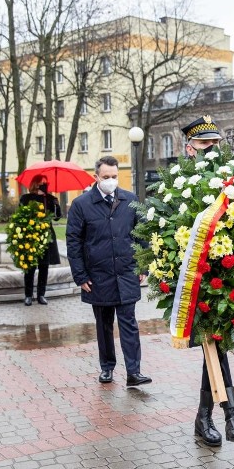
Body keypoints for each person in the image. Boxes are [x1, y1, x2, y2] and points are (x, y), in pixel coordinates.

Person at [182, 115, 234, 447]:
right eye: (203, 144)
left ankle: (204, 418)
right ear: (190, 148)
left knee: (215, 348)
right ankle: (232, 415)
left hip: (225, 279)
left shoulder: (232, 183)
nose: (211, 149)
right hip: (197, 282)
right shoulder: (180, 184)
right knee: (215, 346)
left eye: (215, 143)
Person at [66, 155, 151, 387]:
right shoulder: (81, 205)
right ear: (96, 177)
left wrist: (143, 264)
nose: (111, 181)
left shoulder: (130, 200)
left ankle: (134, 371)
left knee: (129, 323)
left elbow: (142, 234)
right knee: (103, 326)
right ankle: (107, 368)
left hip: (126, 274)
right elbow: (73, 242)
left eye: (114, 177)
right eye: (106, 177)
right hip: (98, 276)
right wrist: (80, 275)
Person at [18, 174, 61, 306]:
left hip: (46, 236)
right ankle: (28, 295)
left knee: (44, 267)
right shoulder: (26, 198)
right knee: (30, 267)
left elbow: (57, 217)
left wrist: (56, 206)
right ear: (36, 183)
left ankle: (41, 295)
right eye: (43, 182)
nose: (45, 184)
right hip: (31, 236)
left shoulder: (50, 198)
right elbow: (21, 215)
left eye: (46, 182)